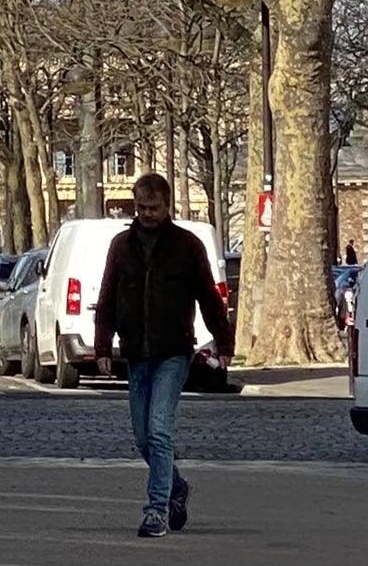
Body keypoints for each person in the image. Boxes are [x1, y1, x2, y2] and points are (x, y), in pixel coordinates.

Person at [95, 172, 233, 539]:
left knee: (159, 431)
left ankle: (156, 509)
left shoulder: (187, 246)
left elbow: (208, 296)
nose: (146, 214)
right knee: (142, 437)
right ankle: (176, 486)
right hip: (136, 350)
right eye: (140, 207)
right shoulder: (121, 246)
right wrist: (102, 344)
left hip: (174, 350)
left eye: (153, 208)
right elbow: (108, 295)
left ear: (166, 205)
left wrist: (223, 341)